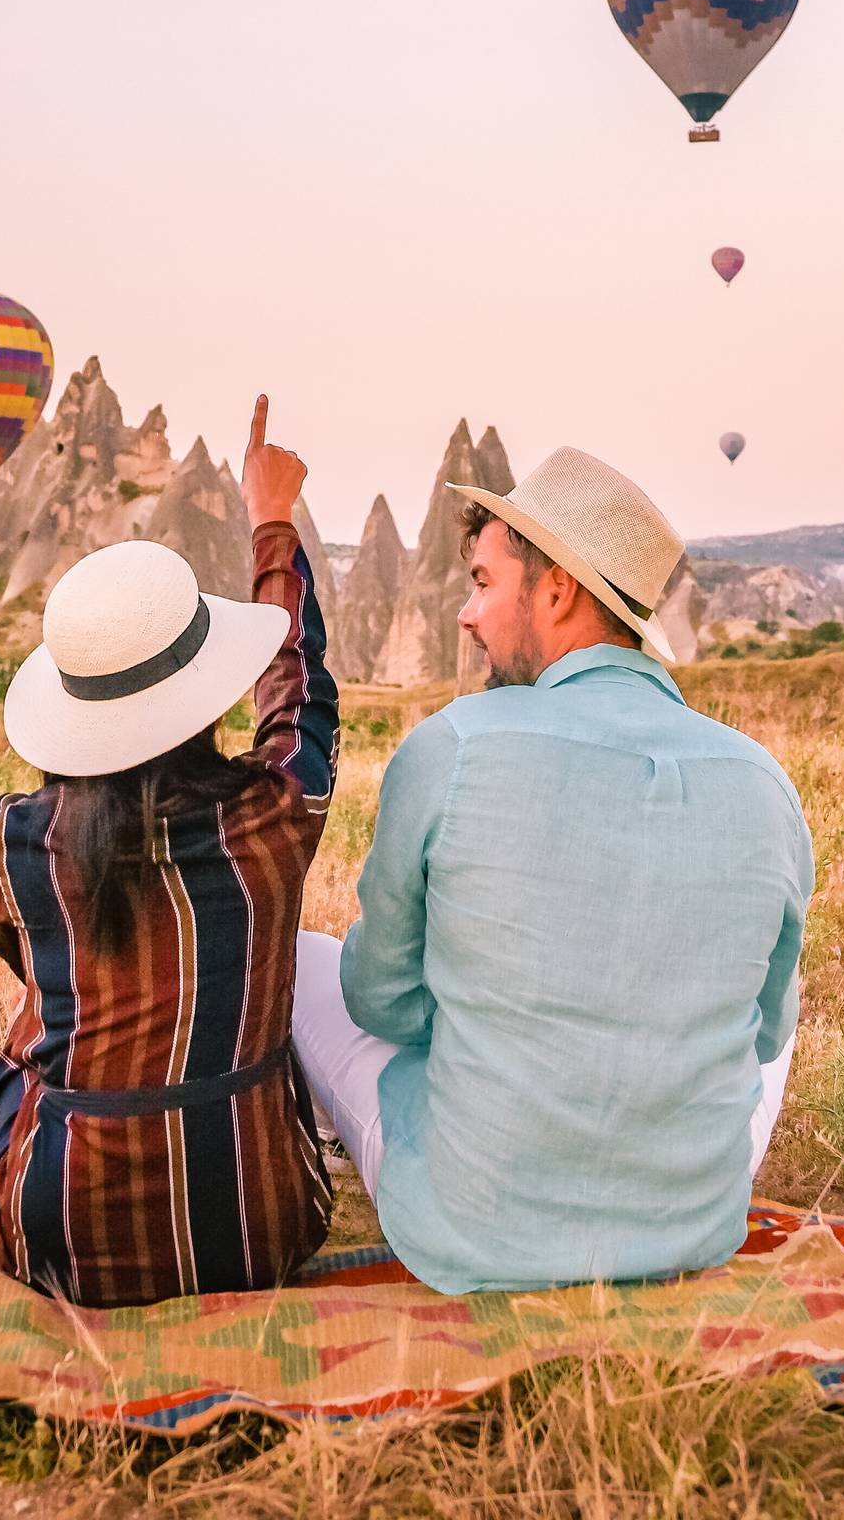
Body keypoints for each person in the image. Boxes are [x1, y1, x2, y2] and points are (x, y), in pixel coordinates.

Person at [292, 446, 814, 1294]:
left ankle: (321, 1157)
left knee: (299, 962)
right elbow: (761, 1034)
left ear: (558, 589)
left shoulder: (451, 747)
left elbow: (377, 1000)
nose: (467, 613)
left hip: (474, 1228)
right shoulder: (763, 781)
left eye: (484, 582)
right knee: (774, 1004)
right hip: (693, 1226)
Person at [0, 396, 339, 1306]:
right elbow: (302, 692)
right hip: (256, 1233)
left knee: (47, 1006)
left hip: (58, 1243)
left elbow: (27, 960)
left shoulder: (17, 842)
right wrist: (270, 522)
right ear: (204, 694)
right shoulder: (273, 818)